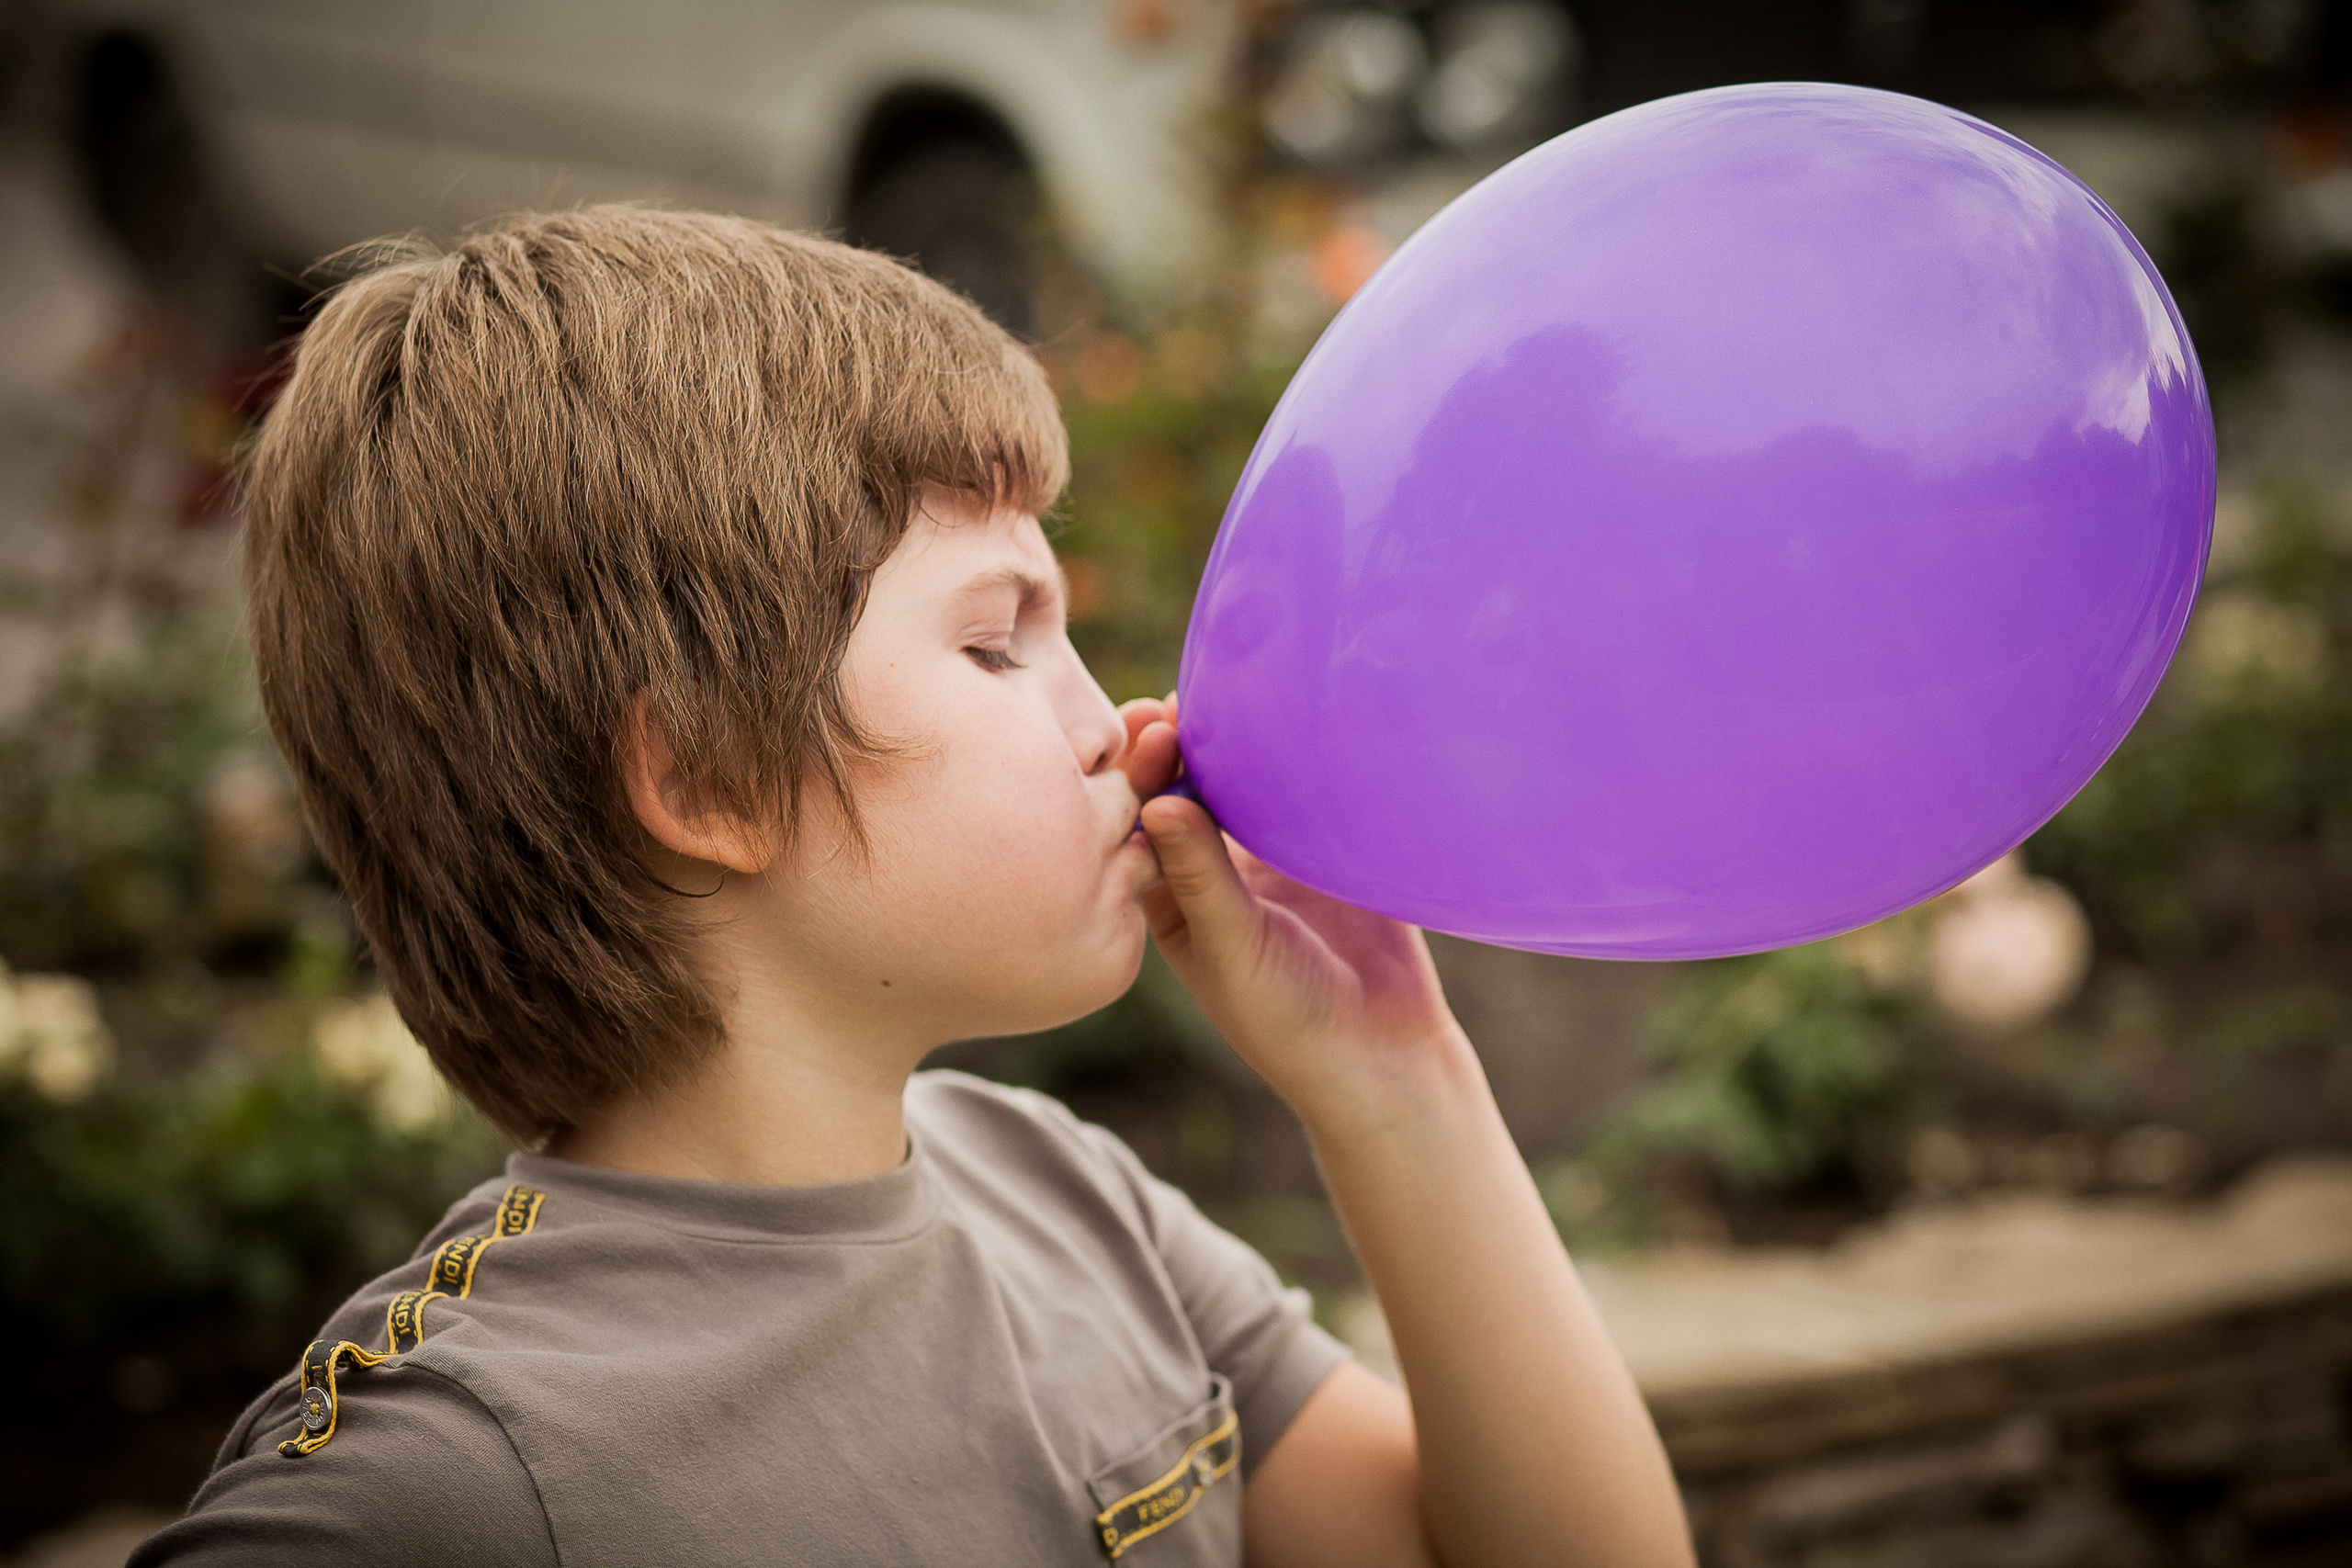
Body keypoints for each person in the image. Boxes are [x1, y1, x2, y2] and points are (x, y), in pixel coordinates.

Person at [130, 207, 1690, 1568]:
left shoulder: (1067, 1202)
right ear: (712, 784)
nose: (1114, 722)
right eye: (998, 642)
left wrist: (1397, 1083)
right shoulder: (451, 1481)